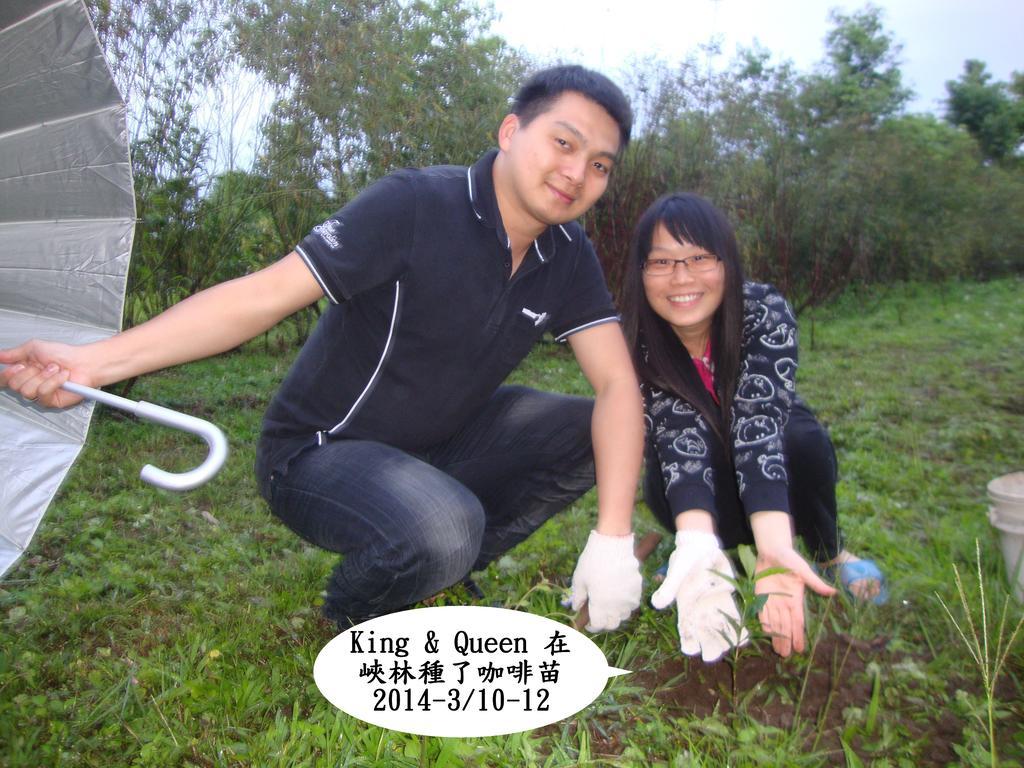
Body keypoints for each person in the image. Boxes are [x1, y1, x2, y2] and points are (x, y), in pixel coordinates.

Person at [0, 65, 646, 633]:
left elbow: (617, 386)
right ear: (511, 133)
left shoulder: (567, 254)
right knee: (443, 526)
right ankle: (356, 609)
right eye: (563, 143)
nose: (575, 173)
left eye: (598, 165)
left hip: (442, 445)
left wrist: (613, 538)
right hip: (317, 452)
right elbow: (263, 295)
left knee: (585, 431)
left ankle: (440, 568)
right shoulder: (418, 205)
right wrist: (96, 363)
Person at [620, 192, 888, 660]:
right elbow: (680, 445)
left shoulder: (762, 310)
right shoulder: (636, 341)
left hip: (770, 445)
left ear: (728, 262)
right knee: (673, 467)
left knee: (799, 442)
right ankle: (704, 551)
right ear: (640, 273)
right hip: (690, 472)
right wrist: (696, 544)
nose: (681, 277)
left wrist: (774, 550)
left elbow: (757, 425)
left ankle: (825, 550)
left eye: (699, 258)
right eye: (661, 262)